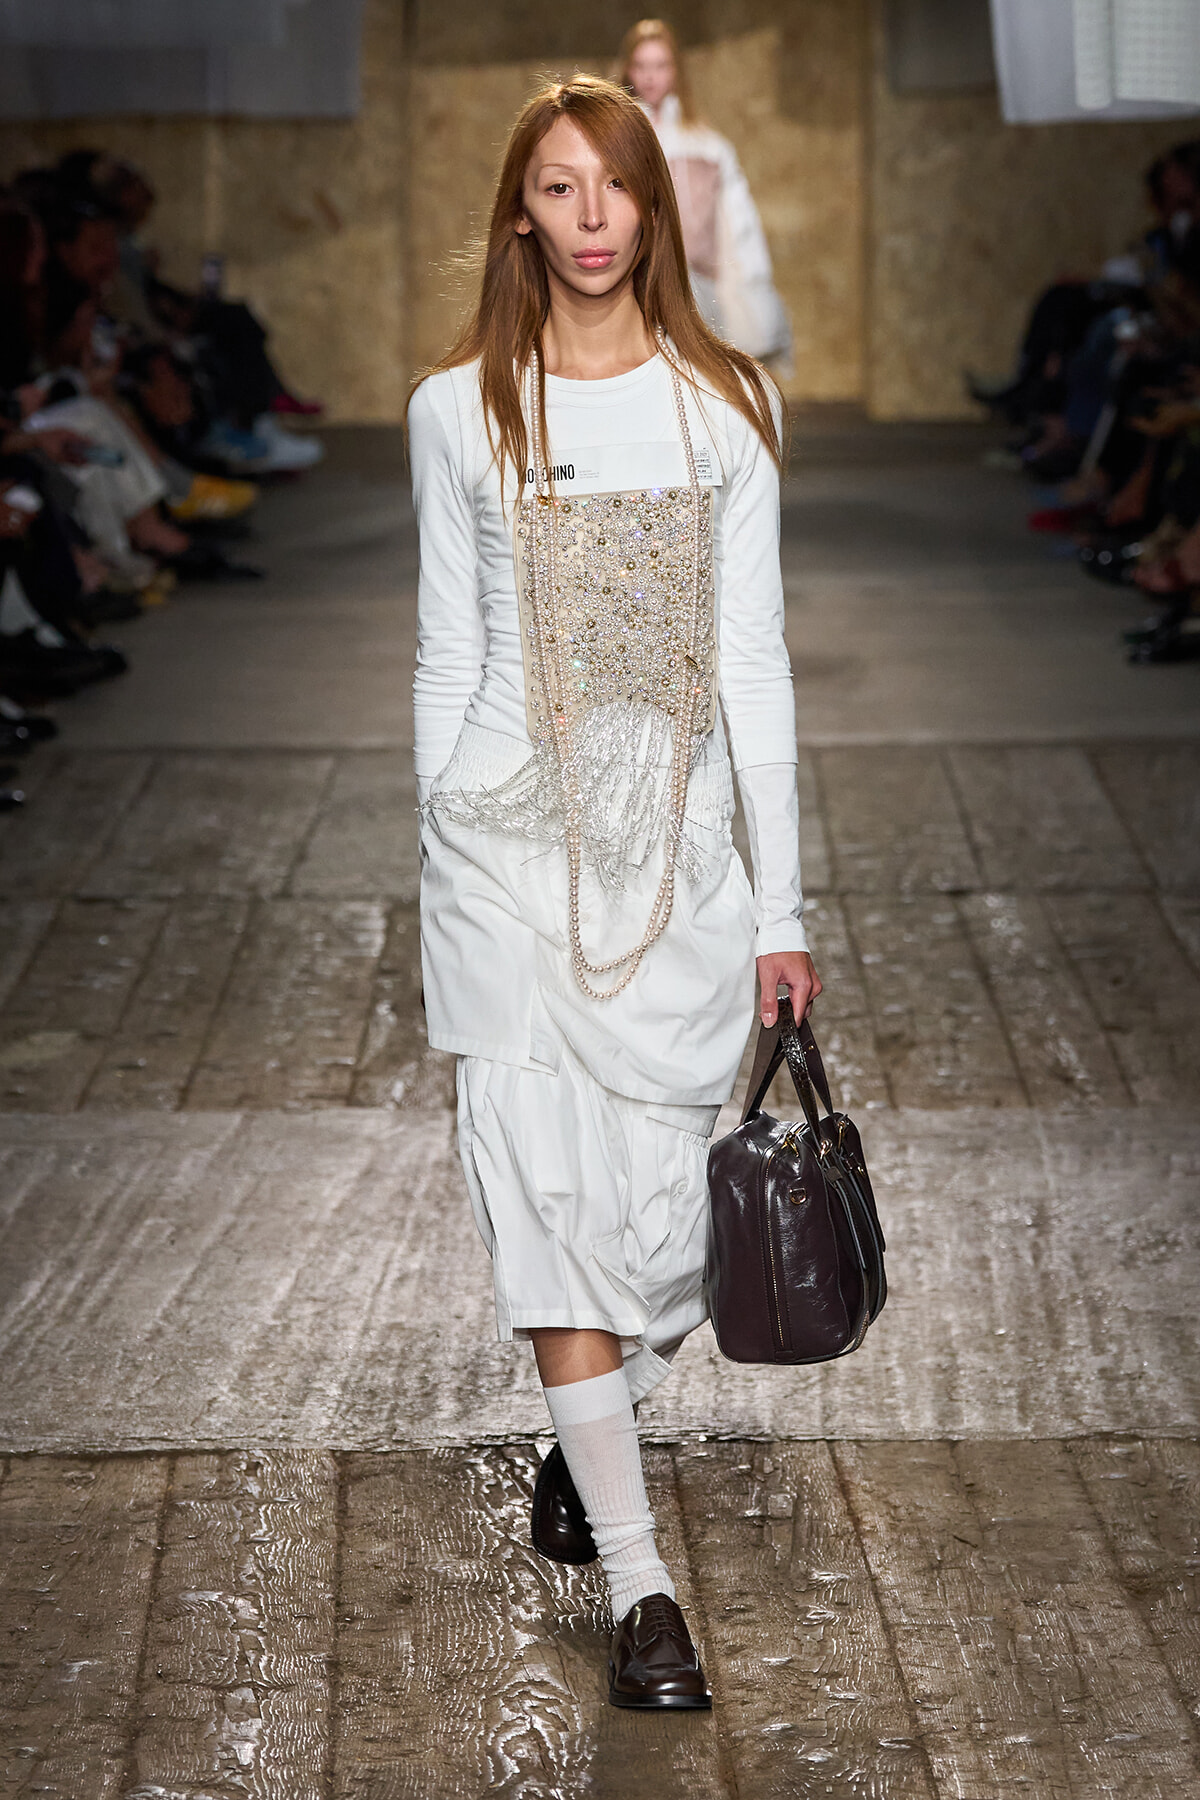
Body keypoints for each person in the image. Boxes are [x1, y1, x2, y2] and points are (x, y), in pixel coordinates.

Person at [408, 74, 818, 1707]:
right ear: (521, 210)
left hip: (682, 872)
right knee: (548, 1212)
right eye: (560, 190)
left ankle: (595, 1424)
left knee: (660, 1238)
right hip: (510, 862)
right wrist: (442, 830)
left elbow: (758, 675)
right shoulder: (465, 406)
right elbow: (450, 647)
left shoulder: (729, 409)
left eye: (616, 189)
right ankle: (647, 1601)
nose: (590, 219)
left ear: (656, 207)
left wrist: (781, 905)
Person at [615, 18, 792, 370]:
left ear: (676, 70)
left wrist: (751, 287)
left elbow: (739, 224)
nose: (650, 76)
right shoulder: (618, 140)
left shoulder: (709, 146)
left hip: (701, 285)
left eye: (661, 65)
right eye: (641, 65)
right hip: (634, 282)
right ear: (628, 69)